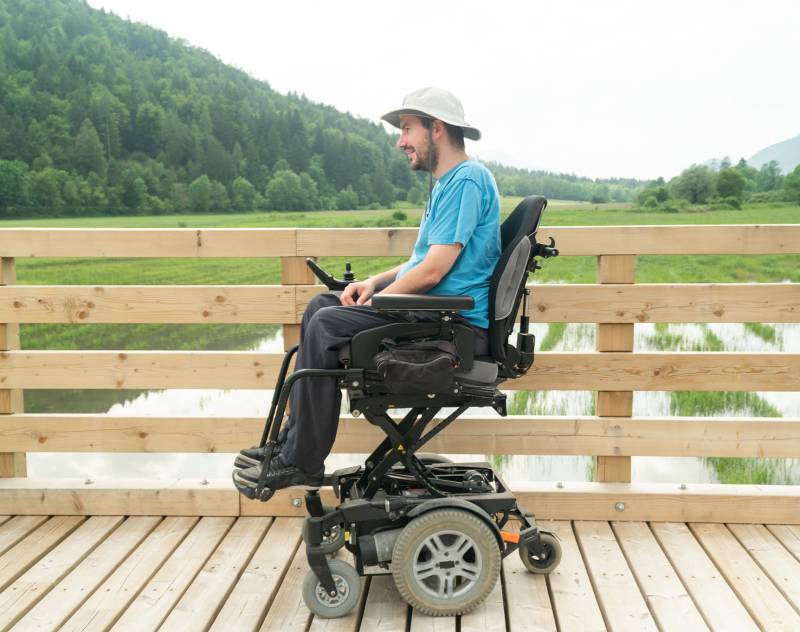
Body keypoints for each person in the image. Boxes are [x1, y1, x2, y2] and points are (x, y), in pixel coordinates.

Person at [233, 87, 501, 500]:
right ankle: (291, 441)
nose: (400, 141)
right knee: (322, 305)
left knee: (326, 323)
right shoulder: (448, 184)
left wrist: (379, 302)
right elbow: (420, 261)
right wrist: (373, 283)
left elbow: (434, 270)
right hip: (433, 312)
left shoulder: (466, 180)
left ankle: (302, 457)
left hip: (451, 323)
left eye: (407, 129)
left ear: (437, 128)